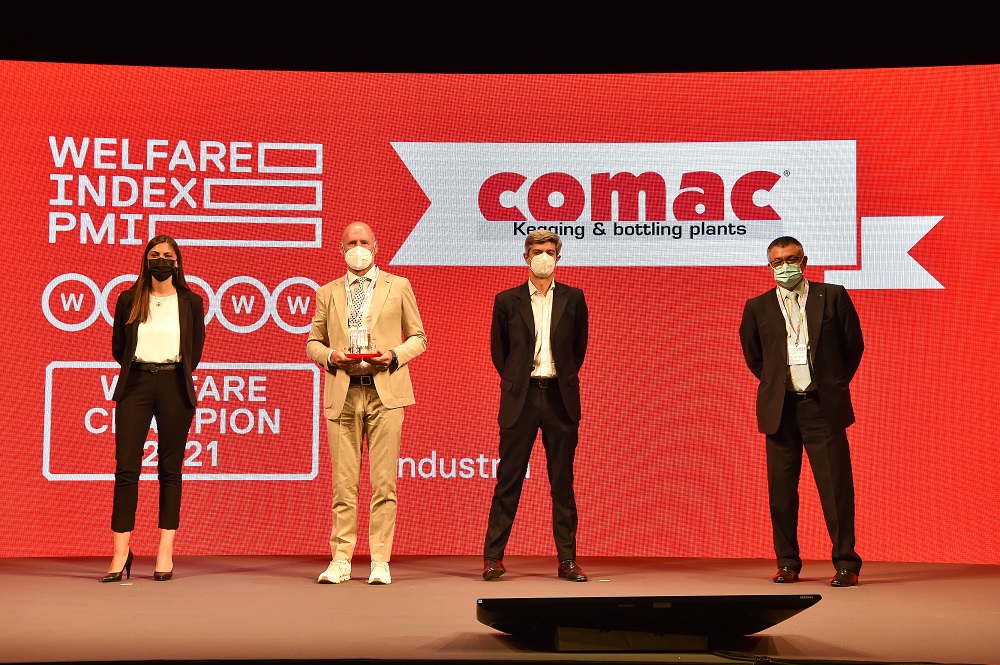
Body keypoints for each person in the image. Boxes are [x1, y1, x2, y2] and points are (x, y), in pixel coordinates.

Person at [739, 236, 864, 587]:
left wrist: (831, 383)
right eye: (777, 262)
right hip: (781, 410)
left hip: (822, 406)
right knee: (781, 493)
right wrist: (779, 384)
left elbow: (853, 346)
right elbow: (755, 357)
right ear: (769, 267)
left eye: (791, 259)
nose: (785, 267)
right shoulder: (757, 307)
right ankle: (787, 563)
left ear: (804, 261)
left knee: (836, 489)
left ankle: (846, 563)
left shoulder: (832, 296)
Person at [307, 222, 427, 585]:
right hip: (344, 391)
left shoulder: (398, 285)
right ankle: (341, 559)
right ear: (340, 248)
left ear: (376, 247)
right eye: (352, 243)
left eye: (364, 242)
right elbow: (313, 342)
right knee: (343, 486)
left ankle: (379, 559)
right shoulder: (327, 292)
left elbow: (418, 337)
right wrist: (331, 356)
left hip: (384, 393)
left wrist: (394, 355)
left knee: (383, 483)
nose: (358, 248)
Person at [483, 230, 589, 582]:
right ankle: (494, 559)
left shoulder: (574, 298)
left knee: (563, 483)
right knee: (508, 480)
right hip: (522, 398)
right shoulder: (506, 300)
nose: (543, 257)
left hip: (560, 397)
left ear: (559, 257)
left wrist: (559, 376)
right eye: (537, 251)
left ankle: (567, 560)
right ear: (526, 257)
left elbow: (578, 349)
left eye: (549, 251)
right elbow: (501, 353)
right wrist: (518, 381)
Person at [105, 235, 205, 582]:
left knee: (170, 469)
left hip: (175, 383)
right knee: (126, 468)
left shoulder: (191, 302)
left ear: (177, 263)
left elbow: (195, 351)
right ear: (145, 260)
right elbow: (119, 348)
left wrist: (169, 371)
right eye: (154, 254)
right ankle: (120, 553)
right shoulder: (128, 298)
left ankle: (165, 551)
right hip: (135, 383)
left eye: (167, 255)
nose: (160, 260)